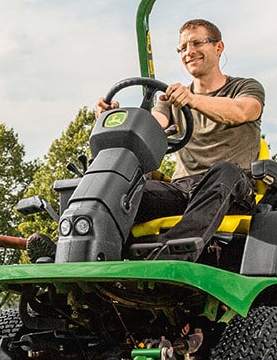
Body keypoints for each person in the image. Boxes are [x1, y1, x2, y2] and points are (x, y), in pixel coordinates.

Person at [94, 18, 265, 260]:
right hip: (182, 190)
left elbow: (242, 111)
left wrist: (193, 100)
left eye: (197, 43)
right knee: (121, 189)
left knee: (226, 171)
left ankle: (171, 252)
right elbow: (150, 127)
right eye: (183, 48)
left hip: (233, 188)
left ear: (218, 47)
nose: (189, 52)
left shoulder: (244, 87)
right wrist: (111, 118)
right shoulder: (170, 101)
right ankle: (88, 246)